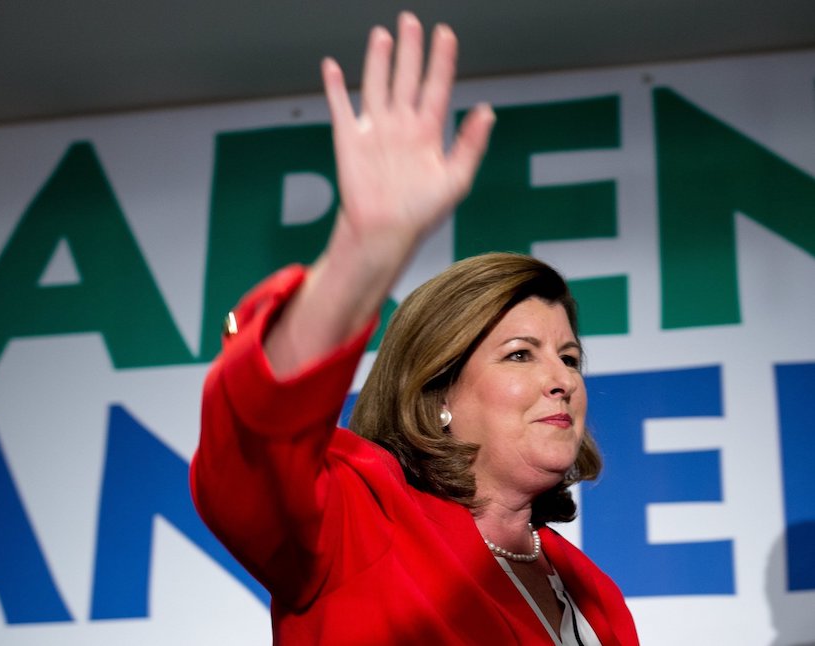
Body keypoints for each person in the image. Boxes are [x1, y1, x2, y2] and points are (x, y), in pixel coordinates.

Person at [189, 11, 639, 645]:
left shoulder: (597, 597)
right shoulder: (357, 522)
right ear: (438, 395)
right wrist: (360, 255)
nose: (561, 378)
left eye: (569, 357)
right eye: (520, 355)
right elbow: (256, 445)